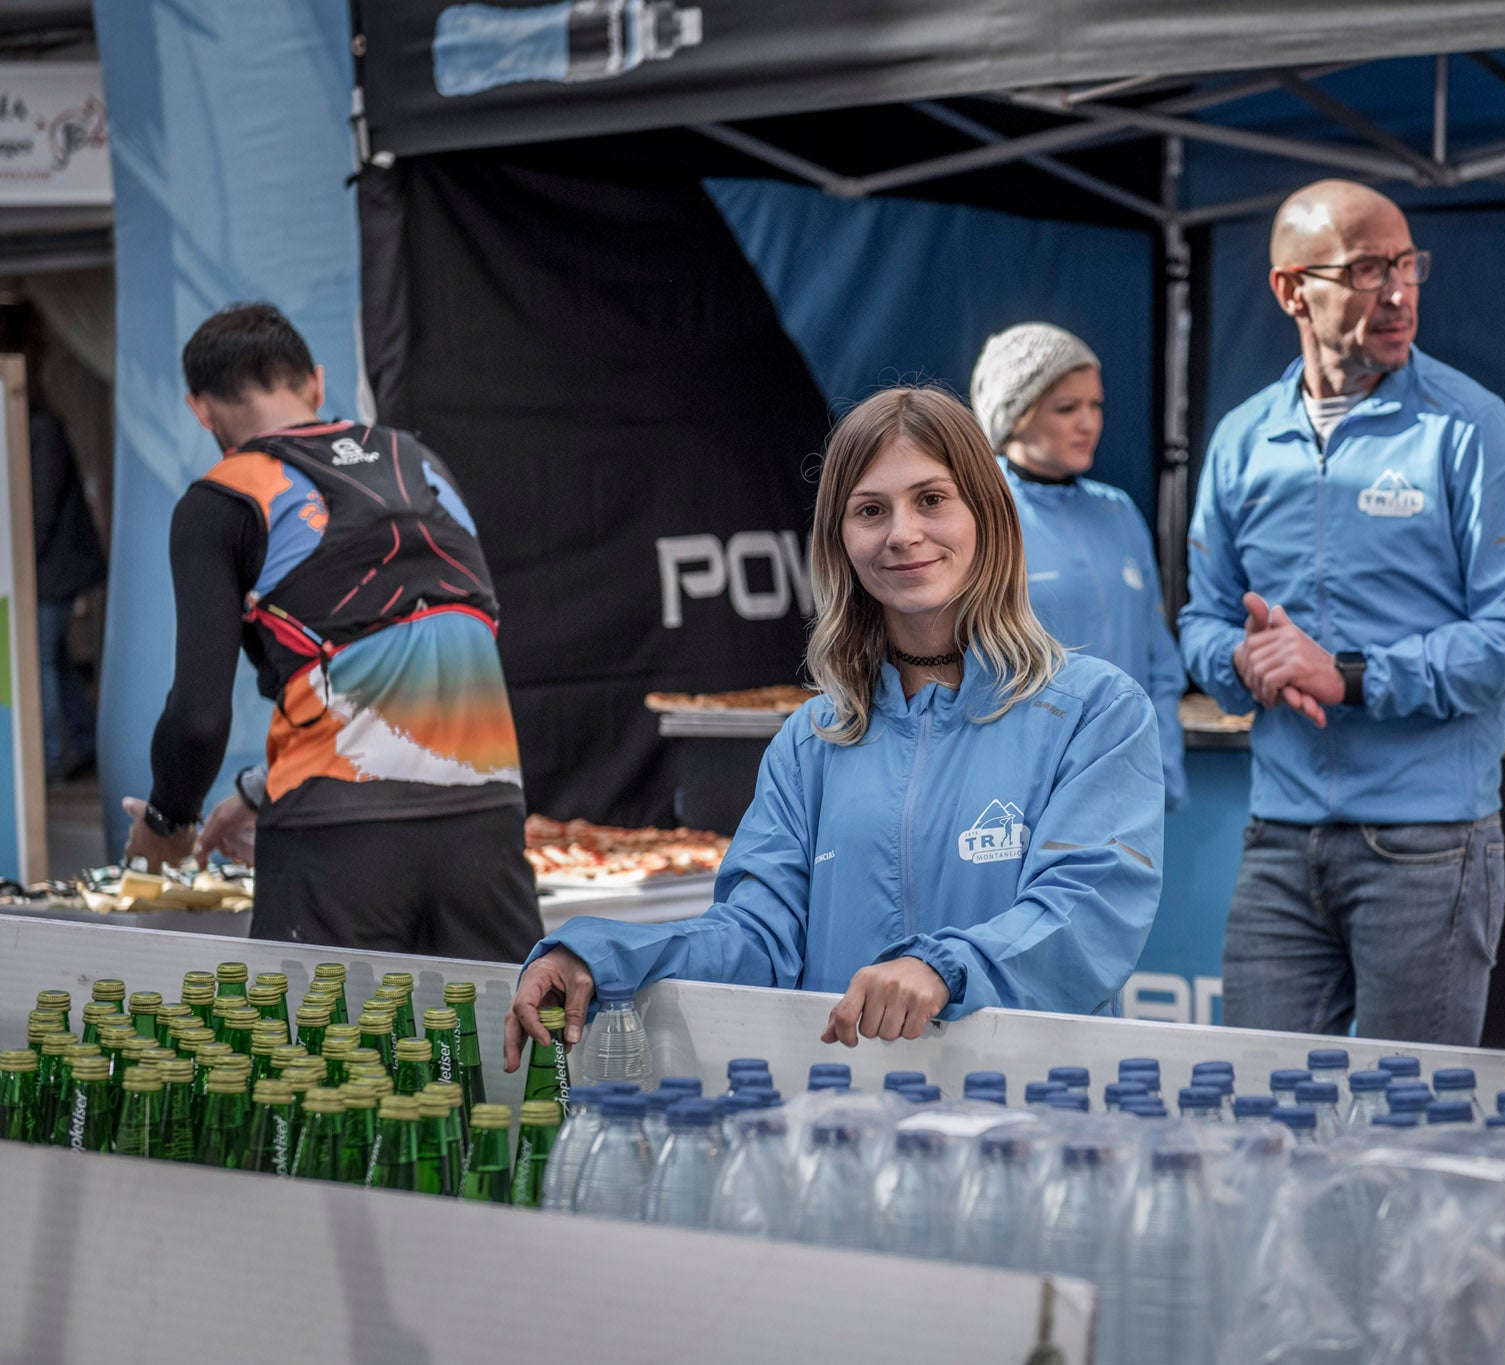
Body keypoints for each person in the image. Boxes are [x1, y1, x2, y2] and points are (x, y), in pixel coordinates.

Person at [504, 387, 1163, 1061]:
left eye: (932, 500)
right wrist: (602, 956)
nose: (903, 533)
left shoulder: (1095, 712)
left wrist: (945, 969)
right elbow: (756, 937)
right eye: (871, 510)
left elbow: (1083, 915)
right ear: (840, 539)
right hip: (843, 1131)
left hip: (1024, 1130)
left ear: (987, 514)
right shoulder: (811, 740)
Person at [1179, 179, 1505, 1046]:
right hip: (1279, 840)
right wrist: (1243, 665)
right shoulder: (1244, 438)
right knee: (1259, 1126)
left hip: (1428, 846)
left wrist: (1351, 677)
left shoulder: (1469, 428)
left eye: (1406, 264)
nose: (1398, 293)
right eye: (1365, 270)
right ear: (1292, 290)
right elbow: (1201, 618)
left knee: (1406, 1141)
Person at [121, 302, 542, 960]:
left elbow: (199, 718)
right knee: (502, 1060)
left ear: (200, 410)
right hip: (486, 827)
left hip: (337, 838)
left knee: (324, 1063)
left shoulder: (224, 497)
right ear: (316, 385)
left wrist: (167, 824)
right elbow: (425, 647)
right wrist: (256, 791)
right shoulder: (420, 462)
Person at [969, 321, 1187, 808]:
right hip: (1025, 792)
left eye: (1095, 404)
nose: (1089, 422)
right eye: (1067, 408)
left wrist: (1161, 767)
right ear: (1015, 414)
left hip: (1127, 782)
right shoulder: (979, 515)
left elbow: (1159, 661)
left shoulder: (1119, 511)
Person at [30, 404, 105, 781]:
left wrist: (20, 557)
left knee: (38, 661)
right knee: (54, 660)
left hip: (49, 570)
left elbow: (40, 510)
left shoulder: (39, 431)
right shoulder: (42, 430)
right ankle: (86, 741)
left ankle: (48, 762)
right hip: (52, 568)